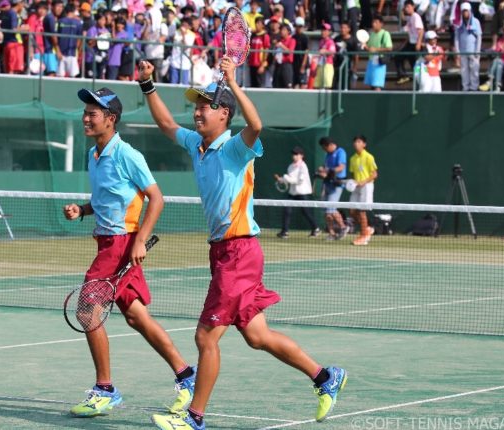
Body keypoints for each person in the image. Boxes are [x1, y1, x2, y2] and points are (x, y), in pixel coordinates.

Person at [137, 58, 347, 430]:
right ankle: (324, 377)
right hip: (223, 252)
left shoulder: (236, 147)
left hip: (239, 251)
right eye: (196, 106)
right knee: (257, 335)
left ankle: (195, 418)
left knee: (205, 336)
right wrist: (148, 85)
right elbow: (168, 124)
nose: (197, 112)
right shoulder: (196, 145)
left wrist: (233, 82)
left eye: (205, 106)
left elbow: (256, 124)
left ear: (224, 114)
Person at [62, 87, 197, 419]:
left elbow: (157, 198)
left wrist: (140, 241)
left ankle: (105, 389)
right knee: (137, 316)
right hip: (107, 241)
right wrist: (82, 209)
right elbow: (108, 200)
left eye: (93, 113)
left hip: (122, 245)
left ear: (111, 119)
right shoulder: (95, 155)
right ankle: (186, 376)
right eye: (85, 112)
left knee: (87, 312)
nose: (86, 118)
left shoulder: (128, 155)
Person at [274, 146, 321, 239]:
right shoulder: (290, 166)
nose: (294, 156)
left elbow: (299, 181)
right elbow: (289, 179)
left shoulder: (303, 166)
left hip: (303, 192)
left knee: (306, 211)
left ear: (301, 156)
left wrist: (286, 178)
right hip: (293, 192)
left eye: (296, 154)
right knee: (287, 210)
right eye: (293, 154)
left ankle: (316, 228)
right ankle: (285, 231)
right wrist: (281, 180)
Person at [317, 137, 349, 240]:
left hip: (337, 184)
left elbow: (341, 167)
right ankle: (331, 233)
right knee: (326, 211)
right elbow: (326, 167)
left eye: (324, 148)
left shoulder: (341, 152)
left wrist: (328, 171)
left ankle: (344, 227)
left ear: (330, 145)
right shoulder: (327, 154)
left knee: (331, 208)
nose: (324, 150)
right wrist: (322, 170)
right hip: (327, 184)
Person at [349, 134, 377, 246]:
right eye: (355, 142)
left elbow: (374, 174)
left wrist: (363, 182)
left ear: (364, 144)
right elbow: (353, 173)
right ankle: (367, 229)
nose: (356, 144)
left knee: (361, 211)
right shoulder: (352, 158)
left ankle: (364, 236)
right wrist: (353, 183)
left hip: (367, 186)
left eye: (359, 142)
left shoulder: (369, 157)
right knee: (351, 210)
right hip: (357, 187)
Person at [454, 2, 482, 91]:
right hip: (463, 51)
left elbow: (479, 37)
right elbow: (456, 38)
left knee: (474, 70)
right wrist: (457, 51)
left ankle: (474, 88)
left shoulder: (476, 22)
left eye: (466, 11)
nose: (465, 13)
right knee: (464, 71)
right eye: (463, 11)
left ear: (470, 11)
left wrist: (477, 50)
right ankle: (465, 87)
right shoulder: (459, 23)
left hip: (473, 51)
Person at [395, 0, 424, 85]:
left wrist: (418, 43)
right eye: (406, 7)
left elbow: (421, 30)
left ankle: (420, 81)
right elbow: (403, 18)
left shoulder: (416, 16)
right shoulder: (410, 18)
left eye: (408, 7)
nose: (407, 9)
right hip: (410, 43)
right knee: (399, 57)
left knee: (415, 64)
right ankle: (403, 76)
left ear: (413, 7)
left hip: (415, 44)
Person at [363, 15, 392, 91]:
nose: (374, 24)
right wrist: (365, 47)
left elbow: (389, 48)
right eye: (373, 22)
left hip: (379, 62)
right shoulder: (371, 34)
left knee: (377, 85)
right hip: (371, 61)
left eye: (376, 22)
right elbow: (370, 48)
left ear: (381, 24)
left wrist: (376, 49)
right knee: (371, 85)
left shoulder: (385, 34)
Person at [57, 4, 83, 77]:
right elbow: (80, 38)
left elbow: (56, 37)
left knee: (59, 77)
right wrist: (77, 49)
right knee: (72, 76)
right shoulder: (78, 23)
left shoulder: (60, 21)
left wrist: (58, 50)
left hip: (61, 53)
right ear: (74, 11)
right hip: (72, 53)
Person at [334, 21, 360, 90]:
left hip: (348, 67)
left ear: (349, 29)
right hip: (337, 65)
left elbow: (356, 55)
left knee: (346, 85)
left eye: (345, 28)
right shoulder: (337, 39)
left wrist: (355, 67)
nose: (343, 29)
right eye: (342, 27)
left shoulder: (353, 40)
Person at [42, 0, 63, 76]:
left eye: (61, 7)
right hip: (49, 50)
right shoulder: (50, 18)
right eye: (58, 6)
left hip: (51, 50)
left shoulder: (54, 18)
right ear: (52, 7)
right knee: (51, 73)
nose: (60, 9)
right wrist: (58, 50)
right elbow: (53, 35)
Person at [248, 16, 270, 87]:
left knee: (260, 85)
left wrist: (263, 65)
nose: (257, 25)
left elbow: (266, 50)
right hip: (252, 64)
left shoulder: (265, 36)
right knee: (252, 84)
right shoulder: (253, 35)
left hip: (260, 65)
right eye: (256, 23)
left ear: (263, 25)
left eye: (259, 23)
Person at [272, 23, 296, 88]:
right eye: (281, 30)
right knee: (276, 85)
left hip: (286, 66)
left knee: (287, 86)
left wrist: (281, 46)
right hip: (278, 66)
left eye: (284, 30)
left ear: (288, 31)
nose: (282, 31)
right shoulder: (279, 41)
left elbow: (290, 51)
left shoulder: (292, 40)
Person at [314, 22, 336, 89]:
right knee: (317, 85)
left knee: (327, 86)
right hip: (320, 65)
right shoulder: (321, 41)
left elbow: (333, 53)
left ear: (329, 32)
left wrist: (325, 51)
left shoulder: (330, 42)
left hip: (328, 65)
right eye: (322, 30)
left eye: (325, 30)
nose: (323, 32)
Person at [292, 17, 309, 89]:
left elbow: (306, 51)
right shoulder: (293, 37)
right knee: (295, 83)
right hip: (295, 63)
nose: (298, 28)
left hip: (302, 63)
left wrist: (303, 64)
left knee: (303, 83)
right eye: (297, 26)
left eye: (300, 26)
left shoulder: (305, 37)